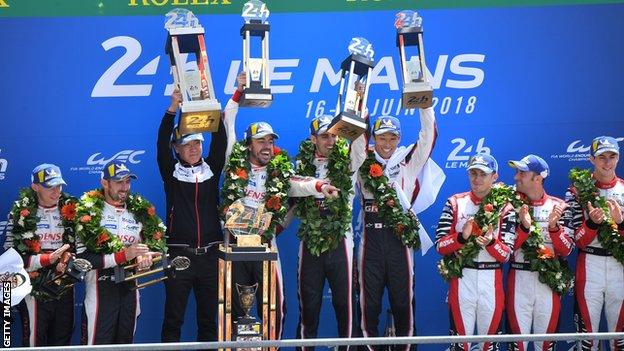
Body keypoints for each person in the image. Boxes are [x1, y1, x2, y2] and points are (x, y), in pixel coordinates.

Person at [222, 117, 339, 340]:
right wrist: (237, 95)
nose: (266, 146)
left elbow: (300, 183)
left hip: (265, 247)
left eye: (270, 141)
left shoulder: (279, 171)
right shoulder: (233, 164)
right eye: (260, 141)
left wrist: (321, 185)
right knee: (235, 312)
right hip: (235, 249)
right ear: (248, 145)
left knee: (274, 310)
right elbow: (229, 121)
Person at [157, 79, 240, 342]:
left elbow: (220, 138)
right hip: (179, 254)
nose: (194, 149)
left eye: (197, 143)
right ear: (177, 148)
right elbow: (160, 144)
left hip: (210, 256)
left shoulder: (212, 169)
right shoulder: (171, 173)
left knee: (208, 321)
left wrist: (208, 106)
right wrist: (172, 109)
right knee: (173, 319)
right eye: (187, 144)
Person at [357, 107, 437, 350]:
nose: (387, 143)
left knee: (403, 304)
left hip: (399, 240)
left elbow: (428, 137)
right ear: (374, 138)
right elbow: (356, 140)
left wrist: (425, 105)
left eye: (392, 137)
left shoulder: (407, 161)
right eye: (382, 137)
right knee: (368, 306)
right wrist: (361, 108)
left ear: (399, 139)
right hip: (370, 240)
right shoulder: (362, 161)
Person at [293, 115, 366, 350]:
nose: (331, 141)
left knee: (345, 306)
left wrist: (359, 110)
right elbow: (292, 186)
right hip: (310, 243)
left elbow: (361, 147)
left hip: (341, 244)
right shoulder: (300, 164)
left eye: (334, 135)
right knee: (309, 307)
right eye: (325, 136)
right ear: (313, 139)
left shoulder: (348, 162)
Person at [77, 161, 164, 345]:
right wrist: (124, 255)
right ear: (105, 183)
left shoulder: (140, 212)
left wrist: (146, 256)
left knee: (125, 345)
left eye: (127, 181)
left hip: (130, 291)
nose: (124, 187)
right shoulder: (90, 212)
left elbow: (155, 249)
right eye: (119, 182)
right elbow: (83, 258)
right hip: (100, 291)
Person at [435, 154, 516, 351]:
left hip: (491, 280)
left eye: (482, 174)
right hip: (463, 279)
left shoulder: (505, 207)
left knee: (490, 346)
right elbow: (440, 246)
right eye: (473, 173)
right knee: (461, 345)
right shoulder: (454, 202)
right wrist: (461, 238)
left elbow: (506, 254)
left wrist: (490, 242)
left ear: (494, 177)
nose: (477, 179)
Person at [3, 163, 75, 346]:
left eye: (59, 186)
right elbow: (11, 259)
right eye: (49, 186)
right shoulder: (19, 213)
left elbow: (80, 249)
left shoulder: (72, 210)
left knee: (63, 339)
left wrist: (67, 259)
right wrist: (47, 259)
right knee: (35, 340)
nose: (56, 191)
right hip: (34, 287)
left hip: (64, 285)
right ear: (35, 187)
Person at [563, 136, 624, 351]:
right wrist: (592, 223)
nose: (607, 163)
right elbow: (575, 240)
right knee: (588, 339)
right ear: (591, 159)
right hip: (590, 263)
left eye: (612, 156)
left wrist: (620, 223)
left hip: (620, 267)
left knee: (620, 337)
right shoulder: (576, 191)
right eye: (602, 157)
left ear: (618, 157)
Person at [506, 155, 572, 351]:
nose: (516, 177)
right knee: (517, 346)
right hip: (519, 278)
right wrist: (524, 228)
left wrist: (554, 227)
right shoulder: (509, 207)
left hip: (548, 282)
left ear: (538, 178)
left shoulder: (560, 207)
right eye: (517, 172)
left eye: (522, 173)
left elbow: (567, 250)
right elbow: (505, 252)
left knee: (545, 346)